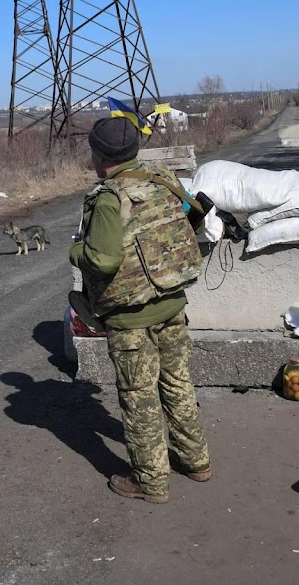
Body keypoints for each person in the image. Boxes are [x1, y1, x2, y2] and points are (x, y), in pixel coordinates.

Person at [69, 117, 211, 504]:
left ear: (99, 156)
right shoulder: (161, 178)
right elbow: (193, 214)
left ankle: (150, 481)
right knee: (178, 382)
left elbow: (101, 259)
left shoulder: (109, 198)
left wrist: (75, 250)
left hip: (131, 317)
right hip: (172, 302)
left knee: (139, 395)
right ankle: (195, 461)